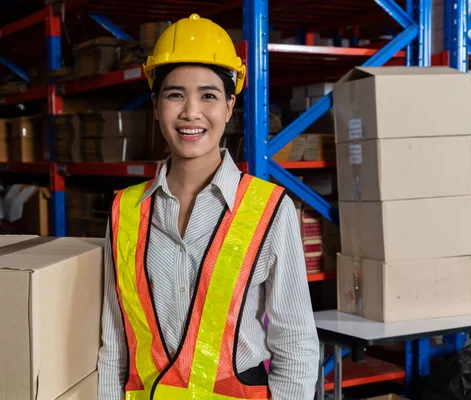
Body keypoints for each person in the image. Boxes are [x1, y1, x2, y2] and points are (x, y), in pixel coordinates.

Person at [97, 13, 319, 400]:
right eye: (175, 94)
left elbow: (296, 345)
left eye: (209, 95)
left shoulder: (269, 209)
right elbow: (115, 344)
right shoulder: (124, 211)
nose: (191, 112)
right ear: (155, 104)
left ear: (230, 106)